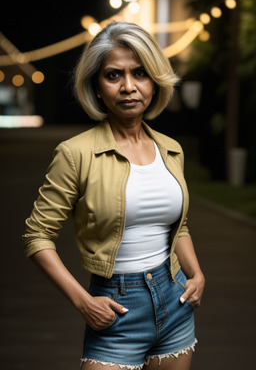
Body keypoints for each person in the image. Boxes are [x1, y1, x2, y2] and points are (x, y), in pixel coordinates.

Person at [22, 21, 205, 370]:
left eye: (139, 73)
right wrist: (83, 301)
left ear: (154, 81)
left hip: (176, 300)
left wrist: (196, 275)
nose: (128, 87)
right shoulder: (76, 154)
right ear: (97, 86)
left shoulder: (171, 150)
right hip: (117, 308)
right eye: (113, 75)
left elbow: (177, 226)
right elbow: (37, 236)